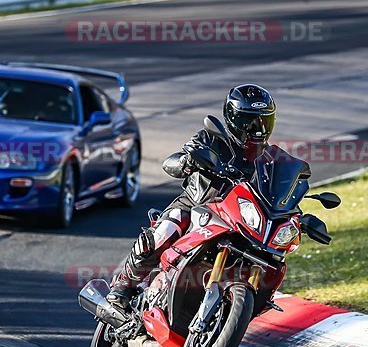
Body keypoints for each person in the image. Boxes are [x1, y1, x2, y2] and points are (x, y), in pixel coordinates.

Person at [107, 84, 277, 308]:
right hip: (196, 206)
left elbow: (280, 189)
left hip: (237, 221)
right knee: (165, 231)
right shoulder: (211, 139)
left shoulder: (269, 160)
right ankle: (123, 286)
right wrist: (187, 162)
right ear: (233, 119)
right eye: (250, 122)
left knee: (267, 254)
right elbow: (172, 163)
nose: (258, 129)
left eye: (264, 122)